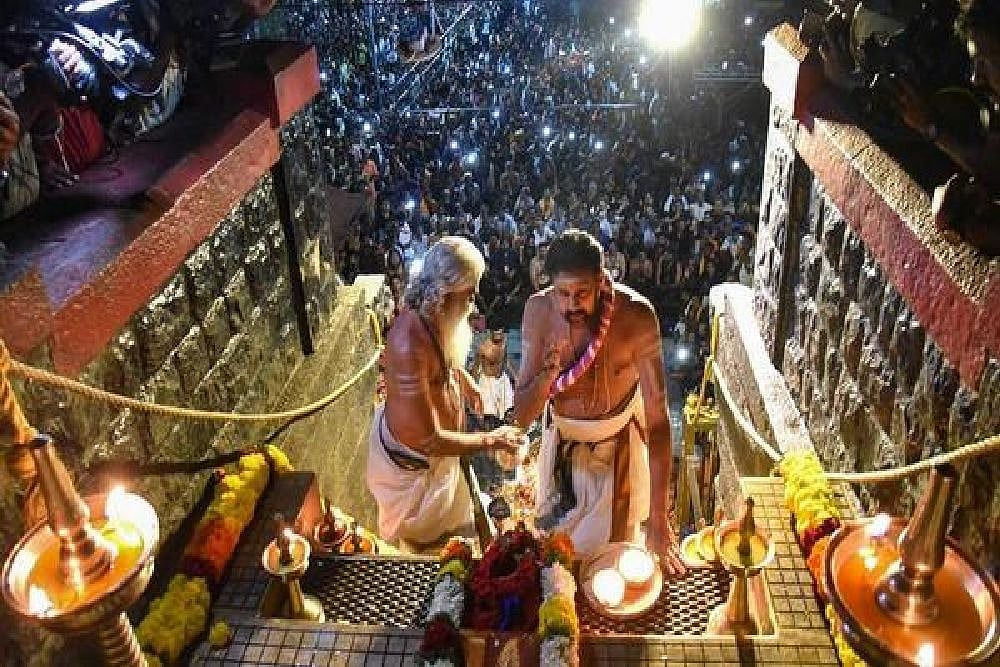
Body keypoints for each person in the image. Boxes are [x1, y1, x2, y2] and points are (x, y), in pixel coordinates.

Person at [512, 229, 684, 575]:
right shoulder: (538, 312)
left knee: (616, 569)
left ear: (602, 281)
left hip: (618, 456)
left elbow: (657, 420)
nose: (572, 305)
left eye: (582, 293)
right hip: (562, 457)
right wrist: (548, 374)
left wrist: (659, 517)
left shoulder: (637, 317)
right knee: (559, 565)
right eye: (563, 294)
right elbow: (521, 417)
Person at [366, 236, 521, 550]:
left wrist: (463, 380)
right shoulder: (409, 344)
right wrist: (491, 439)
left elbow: (441, 360)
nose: (473, 301)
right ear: (444, 293)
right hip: (418, 472)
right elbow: (429, 439)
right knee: (436, 553)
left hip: (442, 463)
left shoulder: (432, 314)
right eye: (469, 293)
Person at [472, 329, 515, 425]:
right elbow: (476, 365)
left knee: (505, 414)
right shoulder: (483, 347)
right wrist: (472, 384)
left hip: (501, 381)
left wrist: (516, 378)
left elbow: (506, 362)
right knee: (487, 414)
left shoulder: (503, 346)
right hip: (487, 382)